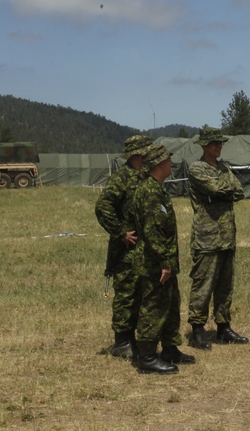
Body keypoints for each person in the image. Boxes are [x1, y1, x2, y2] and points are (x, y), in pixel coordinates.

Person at [129, 144, 194, 374]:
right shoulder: (149, 192)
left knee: (170, 305)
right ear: (158, 164)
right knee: (153, 308)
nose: (171, 164)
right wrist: (165, 262)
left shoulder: (157, 188)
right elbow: (152, 232)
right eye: (167, 160)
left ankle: (169, 349)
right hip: (154, 264)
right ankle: (147, 357)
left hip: (163, 262)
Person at [186, 125, 249, 350]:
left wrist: (225, 189)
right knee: (203, 284)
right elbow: (213, 188)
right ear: (204, 146)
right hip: (207, 235)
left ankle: (223, 328)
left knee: (225, 286)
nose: (219, 146)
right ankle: (197, 329)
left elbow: (239, 191)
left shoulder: (223, 166)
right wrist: (225, 189)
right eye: (215, 143)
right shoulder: (196, 168)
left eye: (221, 143)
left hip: (227, 235)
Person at [94, 134, 151, 359]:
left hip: (143, 249)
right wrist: (120, 233)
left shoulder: (144, 176)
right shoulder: (121, 178)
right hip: (127, 250)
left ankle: (135, 338)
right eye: (146, 152)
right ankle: (122, 342)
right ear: (137, 154)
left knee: (140, 293)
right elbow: (103, 206)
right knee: (126, 294)